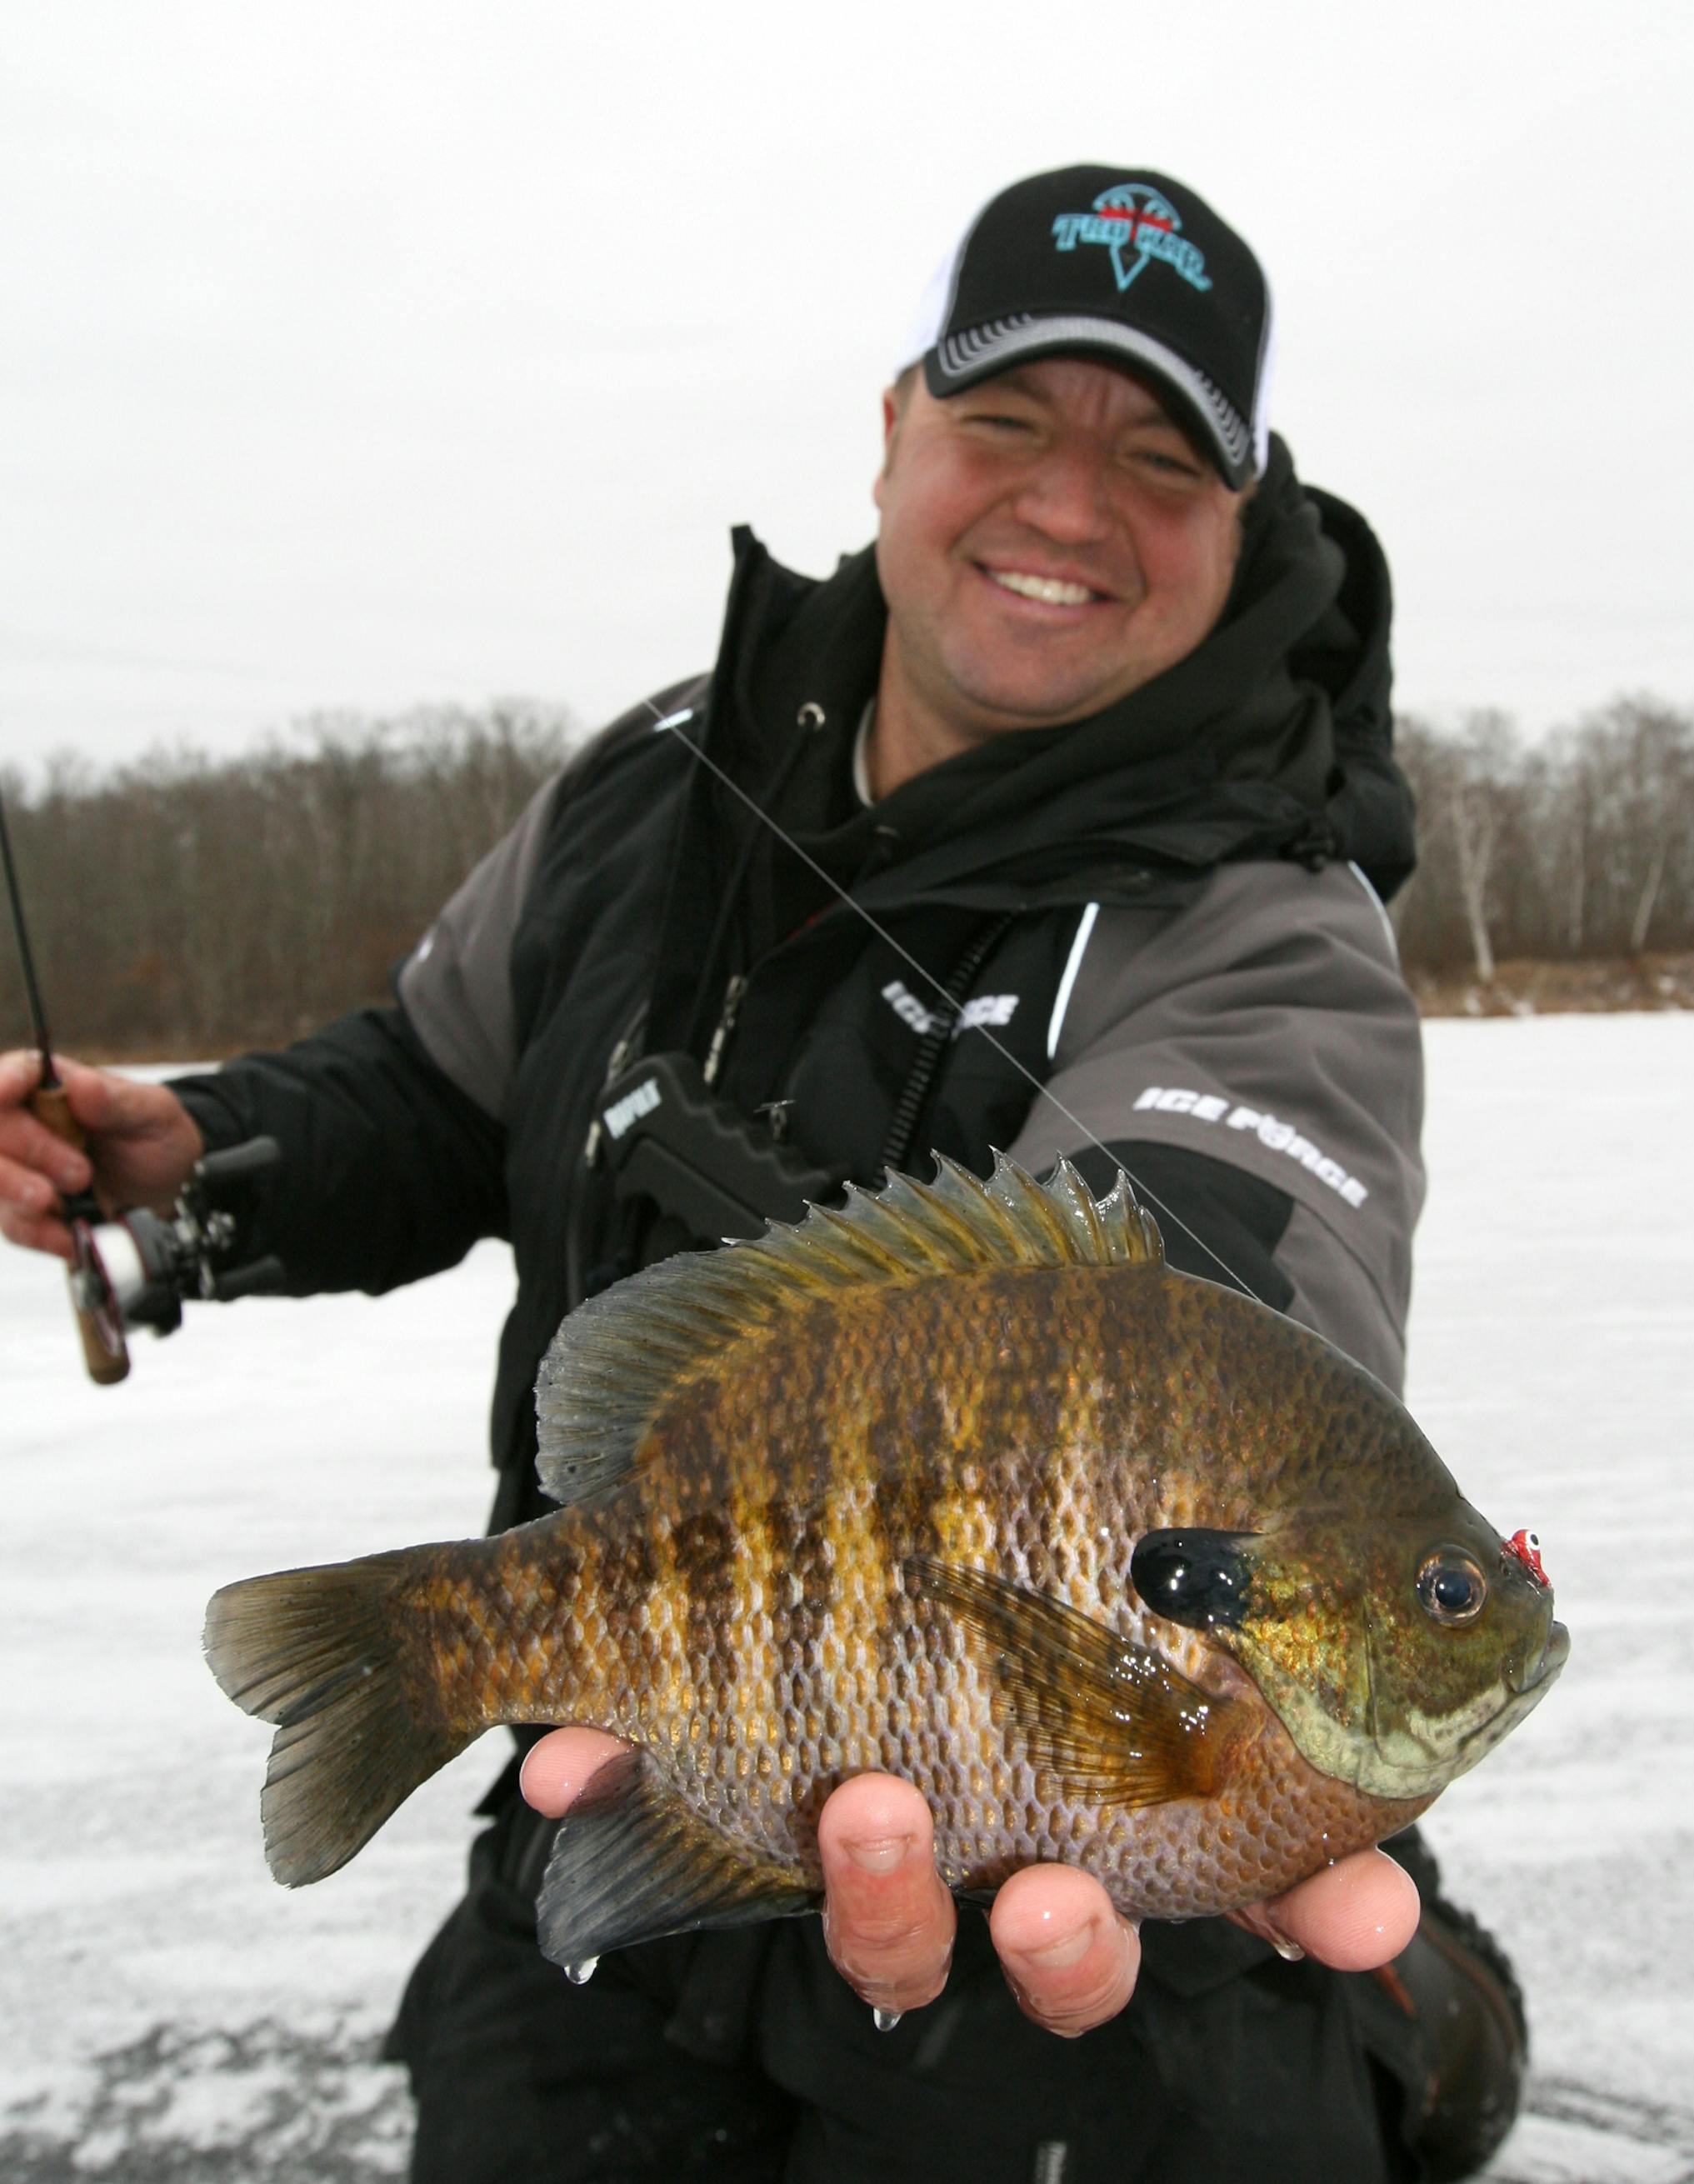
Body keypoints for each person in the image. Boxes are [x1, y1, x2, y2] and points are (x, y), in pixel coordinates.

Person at [0, 167, 1527, 2182]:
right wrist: (207, 1148)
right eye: (1008, 424)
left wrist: (1198, 1614)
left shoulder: (1271, 923)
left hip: (1084, 2009)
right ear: (896, 425)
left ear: (1241, 515)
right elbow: (445, 1074)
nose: (1068, 505)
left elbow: (1225, 1285)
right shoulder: (658, 778)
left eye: (1158, 458)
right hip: (619, 1840)